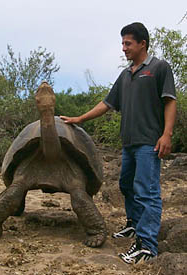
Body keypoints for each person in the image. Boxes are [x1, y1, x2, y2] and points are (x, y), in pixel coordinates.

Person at [60, 22, 176, 264]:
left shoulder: (159, 68)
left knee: (147, 192)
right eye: (122, 43)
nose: (123, 48)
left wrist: (167, 135)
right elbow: (107, 104)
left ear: (142, 43)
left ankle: (147, 245)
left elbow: (169, 101)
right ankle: (134, 224)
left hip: (150, 142)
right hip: (129, 143)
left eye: (128, 43)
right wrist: (79, 118)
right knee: (126, 185)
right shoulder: (126, 74)